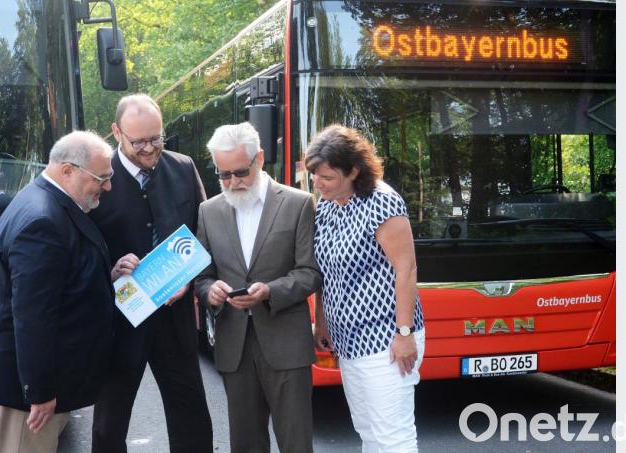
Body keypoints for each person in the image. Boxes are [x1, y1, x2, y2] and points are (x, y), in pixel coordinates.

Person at [0, 130, 119, 453]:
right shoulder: (42, 220)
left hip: (37, 384)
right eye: (101, 178)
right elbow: (34, 317)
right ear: (67, 171)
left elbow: (59, 280)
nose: (108, 186)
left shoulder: (46, 201)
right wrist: (39, 391)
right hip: (26, 395)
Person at [88, 94, 212, 453]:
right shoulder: (97, 176)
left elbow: (204, 234)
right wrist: (110, 272)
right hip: (120, 324)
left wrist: (190, 279)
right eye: (138, 141)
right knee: (109, 426)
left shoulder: (183, 168)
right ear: (116, 133)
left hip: (175, 323)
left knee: (192, 420)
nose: (149, 148)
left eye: (156, 138)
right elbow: (79, 249)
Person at [194, 122, 322, 453]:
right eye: (223, 175)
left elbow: (310, 272)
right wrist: (211, 292)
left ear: (260, 159)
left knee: (295, 441)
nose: (233, 182)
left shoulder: (298, 203)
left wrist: (271, 291)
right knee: (245, 443)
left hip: (286, 342)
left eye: (240, 172)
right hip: (234, 345)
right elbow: (201, 277)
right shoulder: (208, 211)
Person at [305, 124, 426, 453]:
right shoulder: (328, 206)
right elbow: (324, 270)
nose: (318, 183)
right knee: (368, 432)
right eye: (315, 175)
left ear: (354, 170)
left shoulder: (382, 203)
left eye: (327, 177)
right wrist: (322, 321)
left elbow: (407, 268)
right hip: (348, 341)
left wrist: (404, 333)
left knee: (392, 436)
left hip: (385, 338)